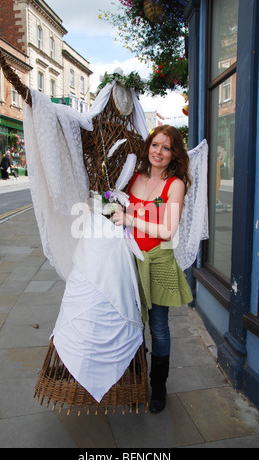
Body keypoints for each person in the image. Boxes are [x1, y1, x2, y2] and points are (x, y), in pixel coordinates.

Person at [112, 125, 193, 414]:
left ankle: (158, 385)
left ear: (175, 154)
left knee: (158, 325)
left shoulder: (175, 185)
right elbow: (114, 209)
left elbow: (168, 231)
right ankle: (134, 382)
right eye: (155, 145)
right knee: (132, 323)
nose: (159, 152)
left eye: (166, 147)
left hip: (159, 259)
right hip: (129, 259)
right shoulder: (133, 178)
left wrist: (129, 220)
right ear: (147, 148)